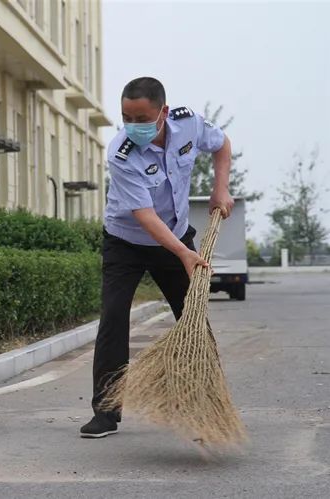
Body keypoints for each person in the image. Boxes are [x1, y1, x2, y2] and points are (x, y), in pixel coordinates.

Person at [80, 77, 234, 438]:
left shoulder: (189, 124)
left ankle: (205, 404)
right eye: (126, 117)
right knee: (114, 318)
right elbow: (145, 217)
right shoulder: (121, 153)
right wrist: (183, 253)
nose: (133, 126)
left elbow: (222, 144)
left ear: (164, 112)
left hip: (176, 233)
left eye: (142, 118)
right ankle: (105, 412)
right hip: (126, 242)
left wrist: (220, 188)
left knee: (193, 316)